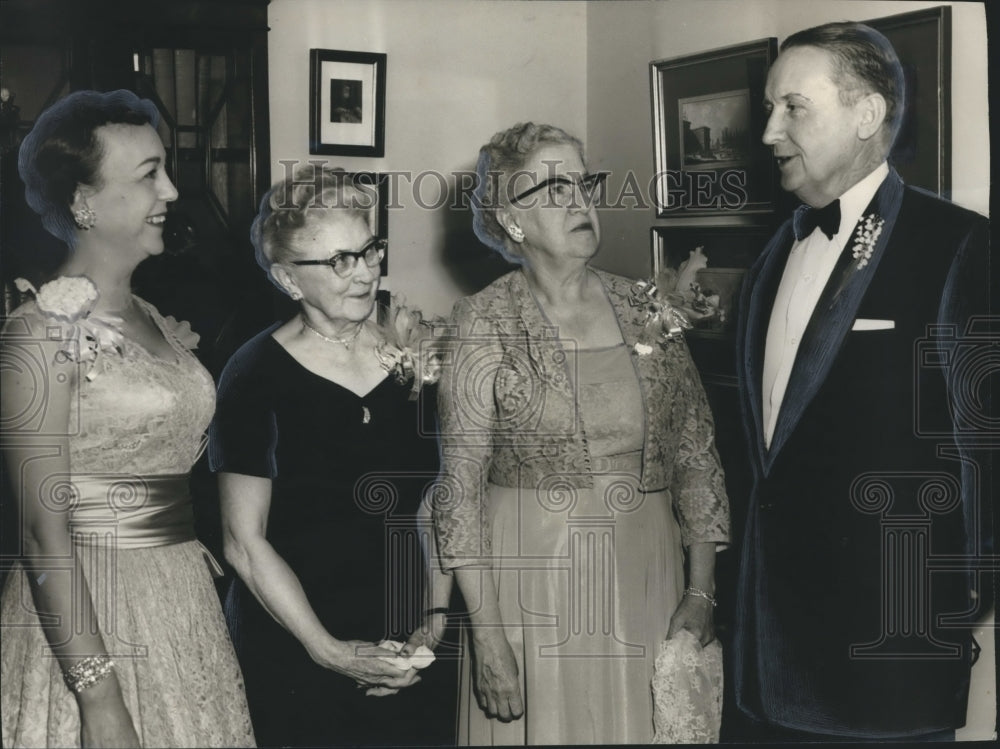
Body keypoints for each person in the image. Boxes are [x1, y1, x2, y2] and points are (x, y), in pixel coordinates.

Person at [733, 22, 991, 742]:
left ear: (867, 115)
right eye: (770, 108)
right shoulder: (773, 254)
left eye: (794, 107)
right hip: (770, 653)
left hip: (889, 653)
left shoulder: (958, 244)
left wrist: (958, 603)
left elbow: (985, 446)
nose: (769, 132)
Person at [433, 122, 730, 745]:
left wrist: (701, 591)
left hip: (645, 572)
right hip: (533, 580)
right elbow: (459, 491)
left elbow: (696, 455)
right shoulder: (482, 320)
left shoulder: (645, 307)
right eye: (554, 188)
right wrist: (488, 637)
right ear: (511, 220)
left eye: (583, 182)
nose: (580, 201)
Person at [0, 89, 254, 748]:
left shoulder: (158, 319)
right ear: (82, 201)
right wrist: (100, 701)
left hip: (180, 603)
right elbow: (41, 535)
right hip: (91, 619)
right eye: (148, 175)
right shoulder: (39, 335)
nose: (171, 191)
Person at [208, 164, 453, 748]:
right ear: (288, 280)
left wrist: (434, 621)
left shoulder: (412, 352)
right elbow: (244, 542)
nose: (366, 272)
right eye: (340, 260)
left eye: (369, 250)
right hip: (297, 639)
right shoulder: (253, 374)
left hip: (408, 632)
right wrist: (330, 652)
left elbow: (436, 496)